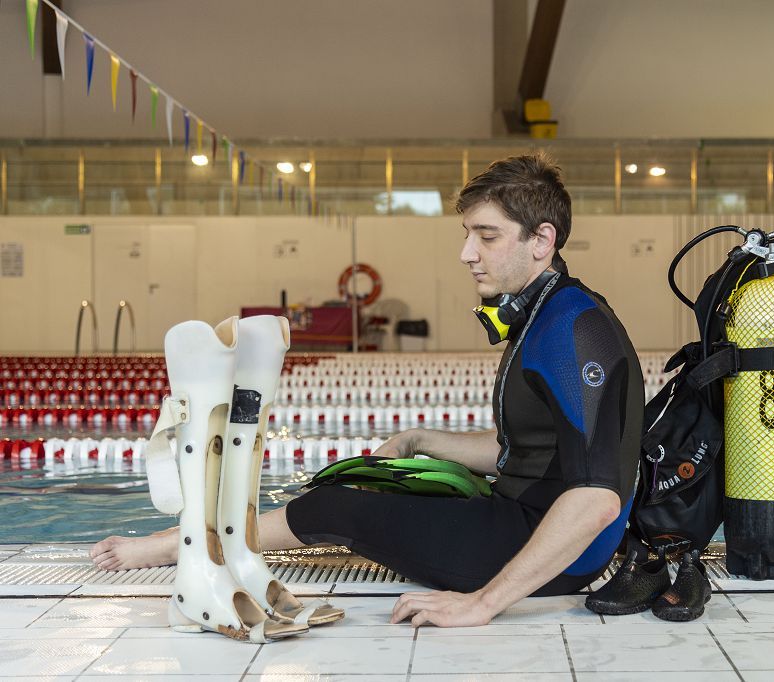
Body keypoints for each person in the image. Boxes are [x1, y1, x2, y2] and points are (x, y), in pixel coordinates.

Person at [91, 153, 644, 628]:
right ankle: (210, 533)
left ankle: (182, 543)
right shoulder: (549, 316)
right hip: (518, 515)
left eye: (487, 236)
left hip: (547, 549)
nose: (467, 254)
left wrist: (483, 603)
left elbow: (596, 498)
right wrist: (417, 439)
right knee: (379, 480)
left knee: (342, 507)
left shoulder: (575, 332)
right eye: (467, 235)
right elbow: (525, 449)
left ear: (542, 240)